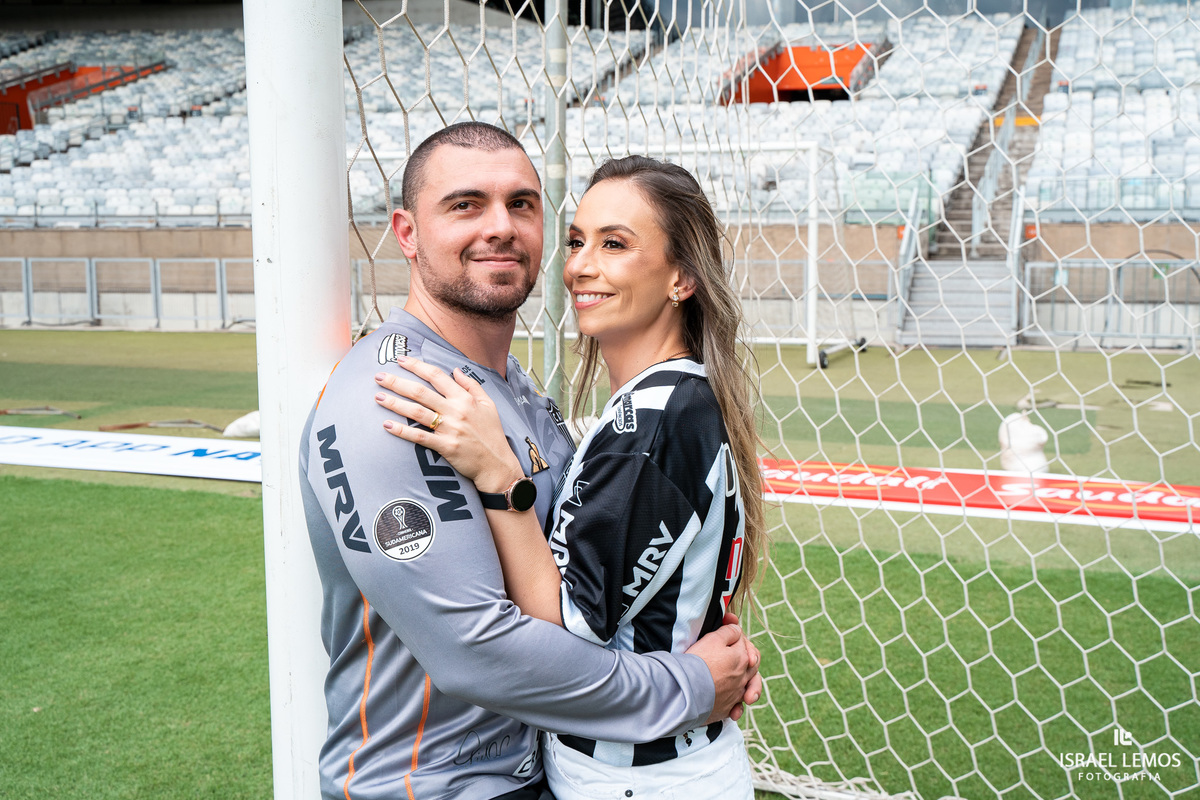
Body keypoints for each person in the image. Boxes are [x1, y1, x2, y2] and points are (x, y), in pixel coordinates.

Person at [299, 122, 761, 800]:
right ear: (406, 232)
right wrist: (689, 685)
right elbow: (477, 653)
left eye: (522, 204)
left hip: (542, 773)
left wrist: (682, 623)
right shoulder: (395, 397)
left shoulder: (514, 391)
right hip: (433, 787)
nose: (501, 227)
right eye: (465, 205)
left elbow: (594, 582)